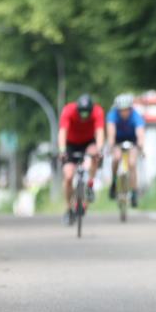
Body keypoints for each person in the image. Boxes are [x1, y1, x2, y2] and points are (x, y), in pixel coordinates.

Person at [58, 93, 104, 223]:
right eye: (81, 113)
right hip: (70, 144)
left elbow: (100, 131)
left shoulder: (97, 111)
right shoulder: (68, 110)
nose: (84, 116)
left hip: (88, 142)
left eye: (87, 113)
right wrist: (62, 150)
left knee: (95, 153)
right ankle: (68, 209)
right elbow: (62, 131)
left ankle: (90, 184)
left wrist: (100, 150)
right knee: (68, 176)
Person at [106, 93, 146, 207]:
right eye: (121, 110)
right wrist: (111, 145)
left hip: (132, 140)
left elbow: (140, 133)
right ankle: (113, 183)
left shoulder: (136, 116)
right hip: (117, 140)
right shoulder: (112, 115)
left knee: (132, 163)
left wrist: (140, 146)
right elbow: (111, 132)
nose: (124, 112)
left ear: (130, 108)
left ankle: (134, 192)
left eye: (126, 110)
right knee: (116, 158)